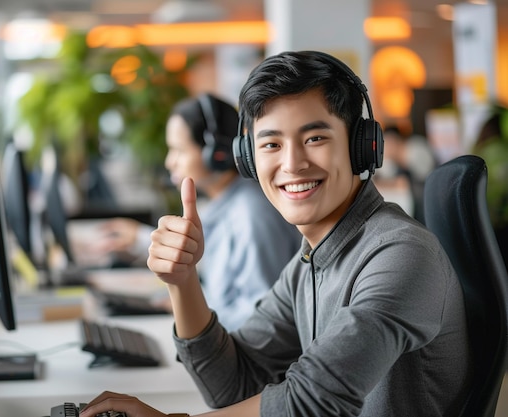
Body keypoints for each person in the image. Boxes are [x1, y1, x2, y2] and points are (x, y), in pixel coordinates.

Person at [80, 51, 472, 417]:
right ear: (249, 159)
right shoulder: (309, 264)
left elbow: (314, 401)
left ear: (361, 146)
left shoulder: (401, 253)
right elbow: (231, 385)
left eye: (315, 138)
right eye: (271, 144)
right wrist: (183, 282)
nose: (292, 163)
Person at [96, 93, 302, 331]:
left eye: (179, 151)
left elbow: (260, 318)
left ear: (217, 153)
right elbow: (220, 284)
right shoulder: (227, 203)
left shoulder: (251, 215)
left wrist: (192, 310)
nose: (169, 162)